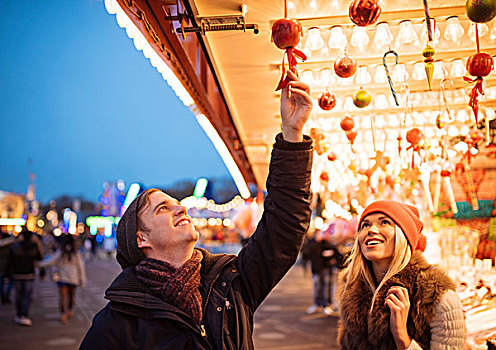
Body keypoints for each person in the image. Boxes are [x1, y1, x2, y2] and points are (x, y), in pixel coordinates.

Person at [80, 70, 314, 350]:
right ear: (141, 239)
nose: (179, 207)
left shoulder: (230, 284)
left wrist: (292, 134)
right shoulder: (117, 324)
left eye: (176, 202)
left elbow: (284, 228)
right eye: (162, 209)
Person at [337, 200, 466, 349]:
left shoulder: (437, 297)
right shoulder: (352, 291)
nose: (371, 230)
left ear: (404, 235)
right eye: (365, 225)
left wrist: (402, 337)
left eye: (384, 222)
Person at [39, 234, 87, 323]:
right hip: (74, 278)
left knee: (63, 297)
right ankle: (70, 310)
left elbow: (51, 261)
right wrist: (82, 280)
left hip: (63, 278)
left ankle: (63, 314)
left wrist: (39, 264)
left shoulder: (61, 252)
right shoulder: (76, 253)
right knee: (71, 296)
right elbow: (81, 267)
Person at [7, 230, 42, 326]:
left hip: (17, 274)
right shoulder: (33, 246)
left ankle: (19, 315)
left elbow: (9, 262)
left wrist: (7, 274)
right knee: (27, 296)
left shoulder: (14, 247)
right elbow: (39, 258)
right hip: (29, 274)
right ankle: (25, 315)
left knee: (18, 295)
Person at [302, 229, 337, 316]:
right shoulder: (312, 244)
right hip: (316, 269)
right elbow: (307, 255)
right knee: (317, 286)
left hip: (326, 268)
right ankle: (317, 304)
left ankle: (326, 305)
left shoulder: (327, 243)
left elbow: (334, 252)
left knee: (327, 286)